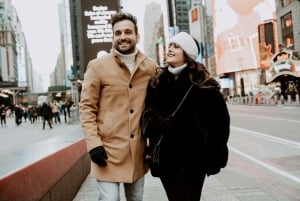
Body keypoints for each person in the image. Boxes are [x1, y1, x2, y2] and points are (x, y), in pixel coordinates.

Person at [142, 32, 230, 201]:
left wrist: (215, 153)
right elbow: (147, 113)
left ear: (187, 53)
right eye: (169, 46)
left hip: (196, 158)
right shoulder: (157, 82)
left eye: (176, 46)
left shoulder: (203, 83)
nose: (170, 49)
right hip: (167, 157)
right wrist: (158, 122)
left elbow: (220, 123)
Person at [79, 12, 157, 201]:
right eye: (118, 33)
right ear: (113, 37)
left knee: (136, 198)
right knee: (110, 199)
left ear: (137, 36)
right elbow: (86, 108)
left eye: (128, 32)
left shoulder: (151, 67)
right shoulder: (97, 66)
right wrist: (93, 145)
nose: (123, 37)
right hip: (106, 150)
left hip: (136, 151)